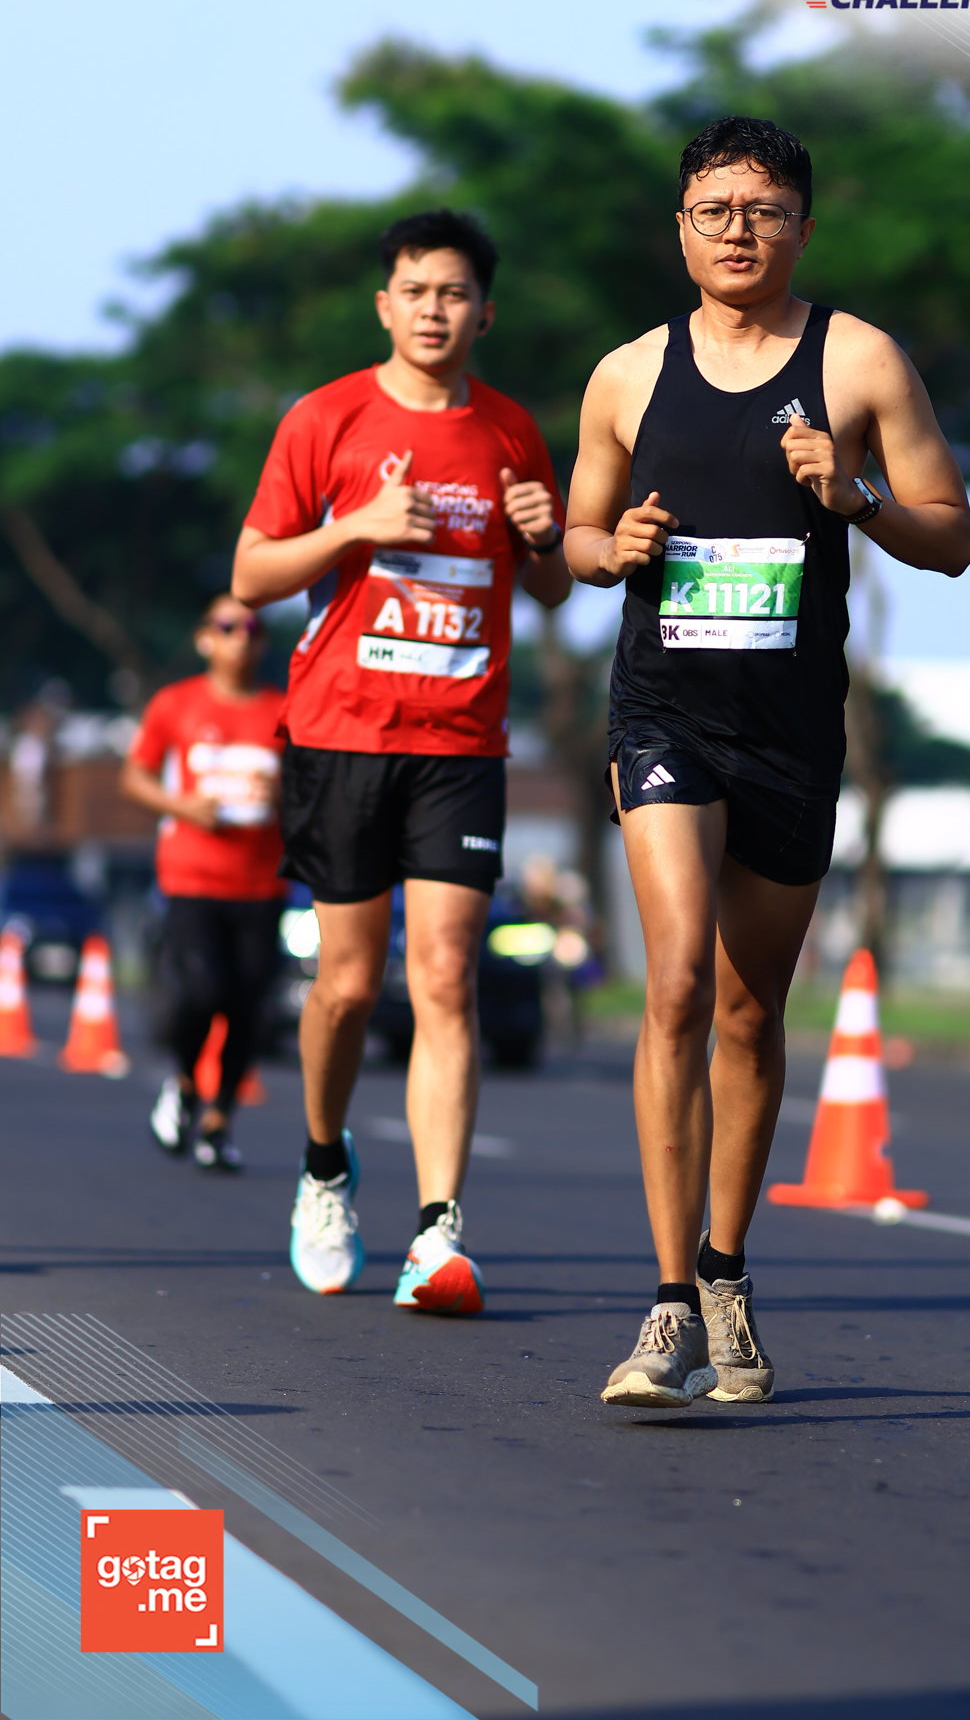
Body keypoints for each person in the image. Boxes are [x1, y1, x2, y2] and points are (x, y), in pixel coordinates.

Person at [565, 115, 970, 1407]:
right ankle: (664, 1305)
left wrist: (852, 498)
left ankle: (726, 1269)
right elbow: (575, 535)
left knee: (749, 1010)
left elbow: (952, 536)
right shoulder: (628, 374)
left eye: (763, 210)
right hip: (662, 714)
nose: (737, 231)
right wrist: (611, 550)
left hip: (792, 730)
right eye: (714, 210)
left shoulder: (858, 361)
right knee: (677, 981)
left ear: (802, 226)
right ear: (680, 227)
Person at [231, 209, 570, 1308]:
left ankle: (437, 1232)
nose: (434, 310)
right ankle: (324, 1166)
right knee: (343, 983)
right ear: (385, 305)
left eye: (454, 293)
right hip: (340, 733)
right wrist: (354, 527)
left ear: (485, 313)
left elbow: (552, 586)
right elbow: (250, 575)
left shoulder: (511, 431)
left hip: (459, 741)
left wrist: (543, 535)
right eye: (416, 291)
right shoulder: (324, 417)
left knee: (445, 974)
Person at [122, 596, 287, 1171]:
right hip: (192, 877)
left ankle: (218, 1122)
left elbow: (309, 788)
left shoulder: (282, 710)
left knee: (248, 1006)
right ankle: (185, 1082)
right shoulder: (177, 704)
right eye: (228, 626)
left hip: (262, 884)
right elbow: (135, 777)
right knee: (203, 990)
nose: (241, 636)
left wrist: (283, 797)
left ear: (263, 642)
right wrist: (184, 806)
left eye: (252, 627)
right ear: (205, 638)